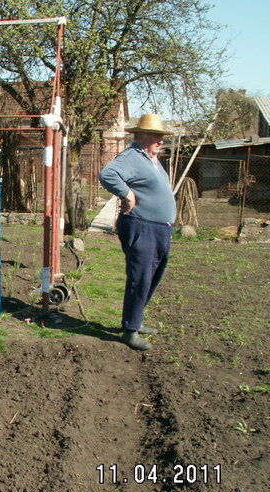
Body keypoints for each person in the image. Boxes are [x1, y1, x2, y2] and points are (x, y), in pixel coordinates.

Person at [99, 114, 175, 351]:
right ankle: (130, 330)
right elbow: (107, 174)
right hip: (142, 226)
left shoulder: (151, 159)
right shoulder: (132, 156)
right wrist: (127, 194)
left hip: (159, 228)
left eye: (162, 136)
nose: (160, 140)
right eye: (155, 135)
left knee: (153, 275)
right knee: (140, 276)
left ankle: (136, 319)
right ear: (140, 135)